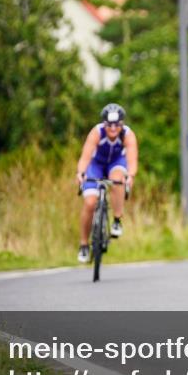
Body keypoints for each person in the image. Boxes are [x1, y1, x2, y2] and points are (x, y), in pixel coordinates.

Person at [75, 103, 138, 263]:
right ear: (104, 123)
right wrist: (81, 173)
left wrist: (130, 176)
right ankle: (83, 244)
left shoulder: (128, 135)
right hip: (95, 165)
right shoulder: (96, 133)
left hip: (116, 163)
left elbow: (132, 160)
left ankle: (117, 220)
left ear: (122, 124)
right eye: (109, 124)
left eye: (117, 124)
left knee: (118, 179)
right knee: (90, 203)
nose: (113, 128)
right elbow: (85, 157)